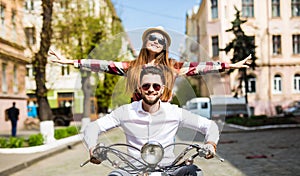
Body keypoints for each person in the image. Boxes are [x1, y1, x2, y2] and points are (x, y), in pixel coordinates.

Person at [83, 66, 219, 176]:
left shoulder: (174, 112)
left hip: (169, 168)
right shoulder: (126, 112)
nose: (151, 90)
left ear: (162, 90)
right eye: (146, 86)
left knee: (195, 173)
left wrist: (210, 144)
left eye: (156, 86)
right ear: (140, 88)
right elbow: (92, 128)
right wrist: (93, 148)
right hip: (133, 169)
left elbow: (209, 126)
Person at [49, 26, 252, 102]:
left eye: (161, 40)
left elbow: (202, 67)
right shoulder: (132, 67)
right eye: (152, 38)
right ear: (145, 41)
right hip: (137, 116)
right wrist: (70, 61)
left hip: (163, 116)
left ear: (164, 46)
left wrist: (230, 66)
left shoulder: (173, 66)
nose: (156, 41)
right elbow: (102, 64)